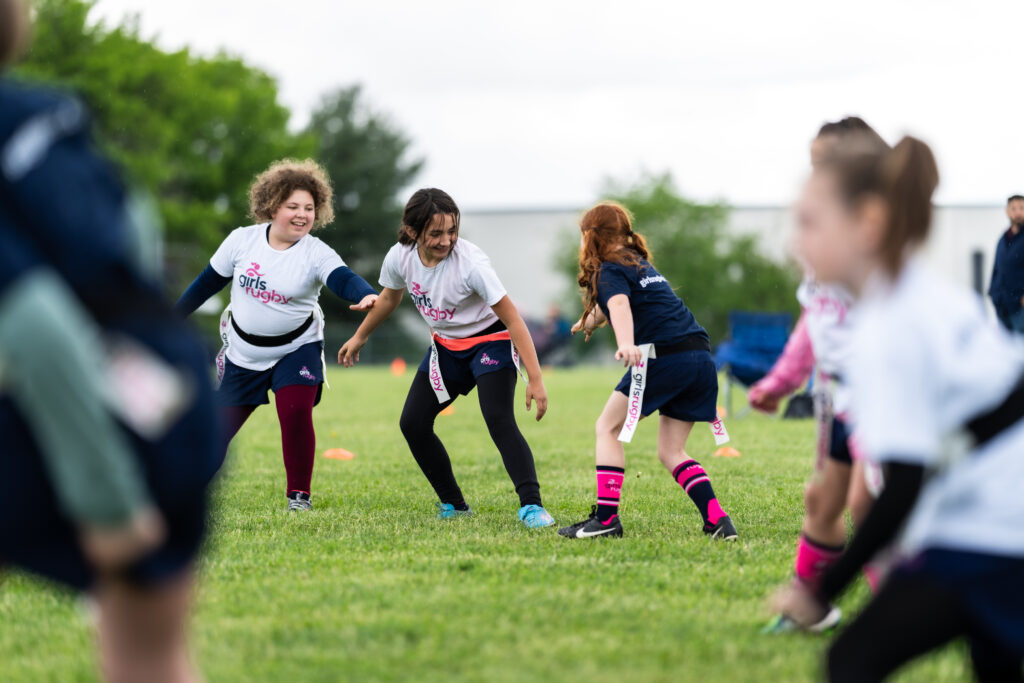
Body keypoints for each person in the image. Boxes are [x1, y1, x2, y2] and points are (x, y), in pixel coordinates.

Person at [0, 0, 220, 679]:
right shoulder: (50, 111)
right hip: (166, 391)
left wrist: (108, 501)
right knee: (150, 660)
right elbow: (135, 232)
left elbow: (36, 322)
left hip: (101, 414)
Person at [774, 132, 1024, 682]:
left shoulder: (887, 328)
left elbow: (901, 489)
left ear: (867, 224)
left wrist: (820, 590)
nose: (797, 242)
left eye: (811, 223)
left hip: (992, 531)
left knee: (851, 661)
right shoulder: (923, 295)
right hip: (993, 520)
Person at [338, 188, 555, 528]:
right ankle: (454, 504)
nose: (446, 240)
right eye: (436, 233)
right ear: (413, 231)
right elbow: (390, 298)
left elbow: (513, 319)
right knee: (412, 423)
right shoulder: (400, 256)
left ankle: (531, 506)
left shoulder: (472, 264)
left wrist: (536, 380)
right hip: (446, 348)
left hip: (490, 342)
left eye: (452, 230)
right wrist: (360, 335)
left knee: (498, 419)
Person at [175, 159, 378, 511]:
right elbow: (206, 283)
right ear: (271, 207)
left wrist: (364, 293)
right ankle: (183, 493)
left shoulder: (316, 252)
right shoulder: (241, 241)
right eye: (293, 207)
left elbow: (342, 278)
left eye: (310, 208)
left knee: (295, 410)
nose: (302, 215)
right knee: (218, 428)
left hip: (296, 348)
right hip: (243, 352)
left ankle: (298, 496)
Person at [752, 117, 889, 633]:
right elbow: (815, 320)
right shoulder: (822, 242)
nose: (817, 175)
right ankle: (813, 609)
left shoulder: (878, 239)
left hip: (880, 396)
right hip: (840, 397)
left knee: (865, 501)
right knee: (823, 499)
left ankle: (893, 611)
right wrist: (782, 380)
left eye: (825, 164)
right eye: (813, 165)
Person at [557, 202, 738, 540]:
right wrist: (587, 322)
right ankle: (717, 520)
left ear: (590, 236)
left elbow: (620, 305)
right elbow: (614, 304)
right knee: (671, 452)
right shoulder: (639, 264)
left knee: (606, 428)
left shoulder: (609, 269)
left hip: (664, 358)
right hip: (699, 357)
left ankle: (607, 519)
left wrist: (625, 342)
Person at [988, 194, 1024, 332]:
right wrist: (992, 291)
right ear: (1007, 211)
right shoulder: (1003, 238)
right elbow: (997, 268)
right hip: (1002, 305)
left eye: (1021, 208)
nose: (1018, 213)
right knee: (1005, 351)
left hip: (1020, 309)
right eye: (1013, 208)